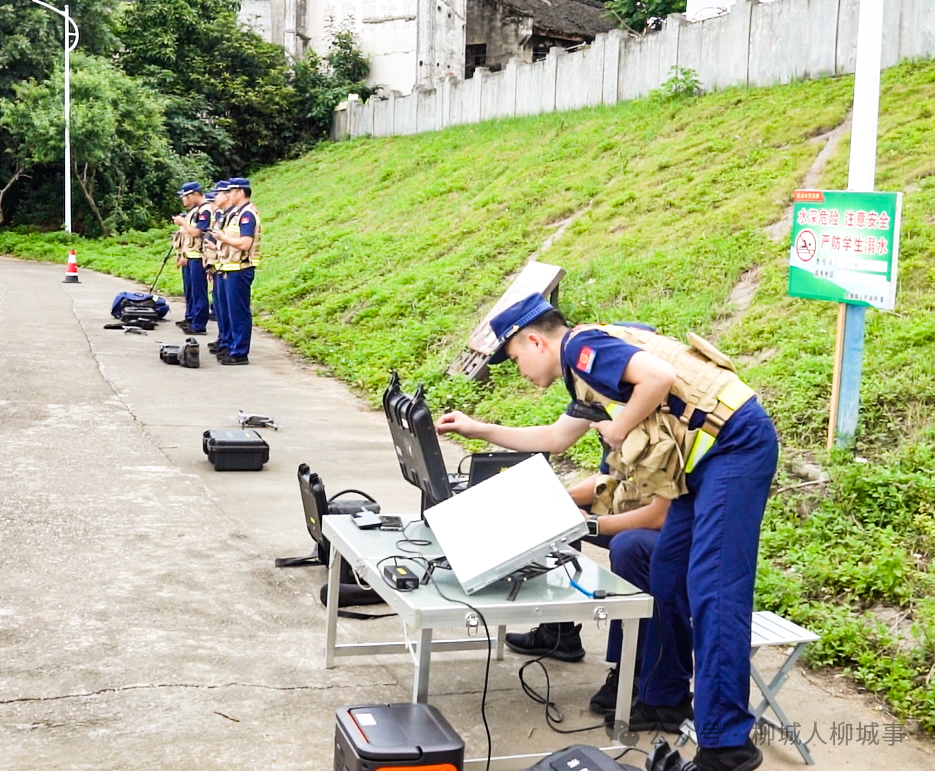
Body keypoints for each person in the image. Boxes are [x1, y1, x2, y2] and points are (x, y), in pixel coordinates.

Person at [435, 294, 778, 771]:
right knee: (666, 570)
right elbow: (555, 439)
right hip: (702, 463)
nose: (519, 370)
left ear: (535, 341)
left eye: (514, 359)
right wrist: (479, 429)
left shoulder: (582, 349)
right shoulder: (585, 373)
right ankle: (664, 697)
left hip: (734, 445)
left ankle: (727, 746)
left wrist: (621, 427)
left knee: (715, 592)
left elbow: (658, 377)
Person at [211, 177, 261, 365]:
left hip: (239, 268)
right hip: (229, 267)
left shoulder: (247, 215)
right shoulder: (237, 213)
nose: (228, 195)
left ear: (240, 192)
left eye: (231, 191)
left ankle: (239, 352)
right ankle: (231, 346)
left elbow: (245, 243)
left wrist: (223, 238)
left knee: (238, 312)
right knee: (228, 311)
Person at [171, 181, 211, 334]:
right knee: (190, 291)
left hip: (199, 257)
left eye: (185, 196)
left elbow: (196, 232)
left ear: (194, 195)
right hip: (189, 255)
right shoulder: (194, 211)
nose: (183, 200)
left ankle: (199, 324)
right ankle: (191, 318)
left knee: (199, 292)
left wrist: (182, 222)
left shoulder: (205, 210)